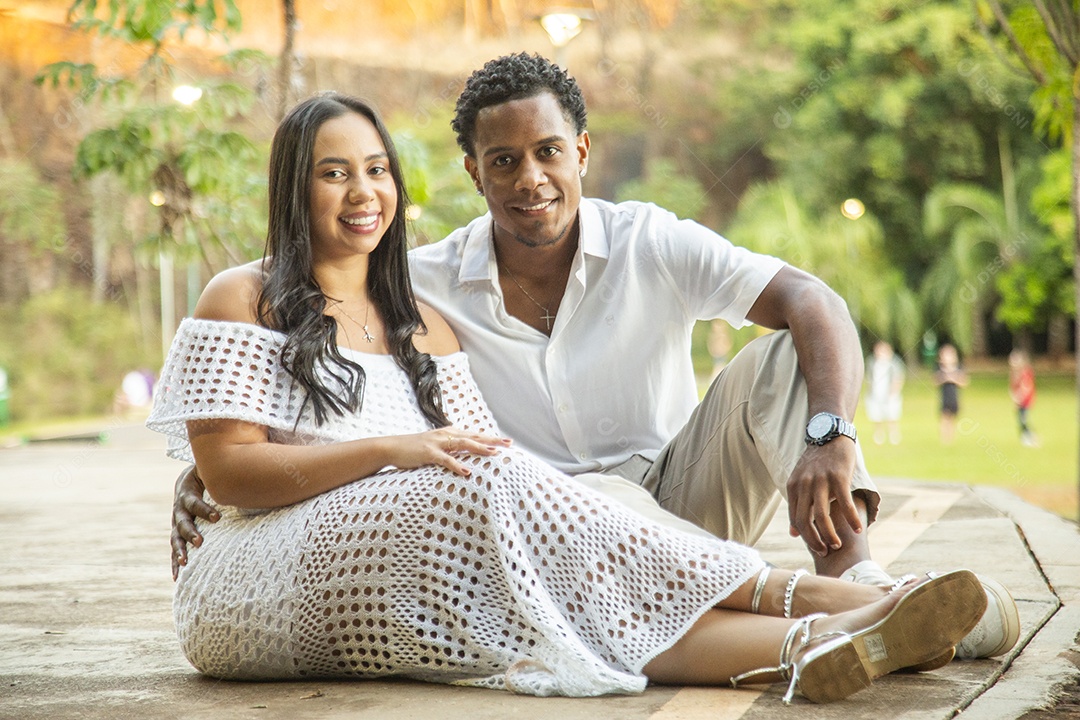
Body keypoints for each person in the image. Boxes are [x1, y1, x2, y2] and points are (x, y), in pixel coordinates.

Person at [170, 54, 1018, 662]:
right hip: (552, 523)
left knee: (782, 358)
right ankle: (858, 626)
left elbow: (813, 301)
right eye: (503, 160)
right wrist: (216, 468)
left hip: (677, 496)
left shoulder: (640, 242)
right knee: (586, 509)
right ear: (473, 171)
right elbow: (327, 391)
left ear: (580, 150)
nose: (529, 177)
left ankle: (859, 578)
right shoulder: (420, 287)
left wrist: (831, 432)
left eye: (547, 152)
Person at [864, 341, 905, 445]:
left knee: (892, 416)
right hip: (875, 394)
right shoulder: (872, 363)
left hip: (890, 394)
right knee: (877, 416)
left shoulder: (894, 363)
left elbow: (898, 378)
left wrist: (894, 391)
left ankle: (893, 435)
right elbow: (869, 378)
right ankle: (879, 435)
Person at [934, 344, 968, 445]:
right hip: (944, 398)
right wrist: (944, 378)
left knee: (952, 419)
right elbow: (935, 381)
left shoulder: (958, 368)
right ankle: (944, 439)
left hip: (954, 398)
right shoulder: (939, 369)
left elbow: (964, 382)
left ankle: (951, 439)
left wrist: (954, 379)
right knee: (944, 418)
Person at [1008, 350, 1038, 447]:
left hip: (1025, 401)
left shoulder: (1025, 373)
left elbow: (1026, 387)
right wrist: (1014, 399)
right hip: (1019, 401)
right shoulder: (1013, 374)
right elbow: (1012, 388)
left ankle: (1031, 437)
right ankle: (1026, 437)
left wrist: (1019, 398)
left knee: (1023, 419)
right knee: (1020, 420)